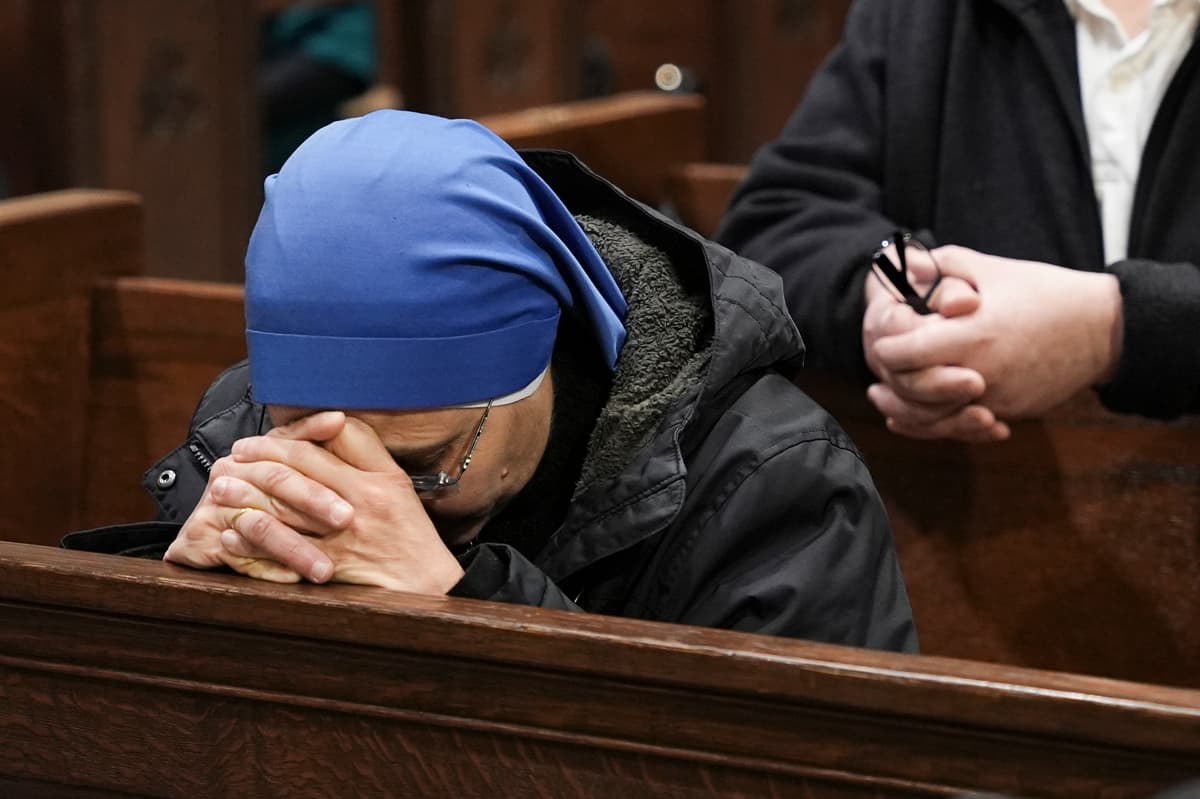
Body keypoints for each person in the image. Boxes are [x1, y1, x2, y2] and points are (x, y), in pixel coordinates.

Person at [68, 110, 916, 652]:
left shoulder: (775, 484)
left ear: (538, 365)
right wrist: (173, 608)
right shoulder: (244, 428)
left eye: (420, 463)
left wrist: (466, 607)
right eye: (314, 442)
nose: (364, 495)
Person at [716, 0, 1200, 442]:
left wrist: (1112, 328)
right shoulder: (919, 16)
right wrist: (890, 288)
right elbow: (773, 223)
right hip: (960, 507)